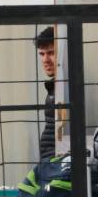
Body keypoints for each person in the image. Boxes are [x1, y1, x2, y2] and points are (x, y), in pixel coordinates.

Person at [35, 26, 60, 160]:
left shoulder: (66, 87)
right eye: (42, 54)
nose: (45, 60)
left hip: (58, 163)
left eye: (51, 53)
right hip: (51, 162)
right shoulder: (56, 86)